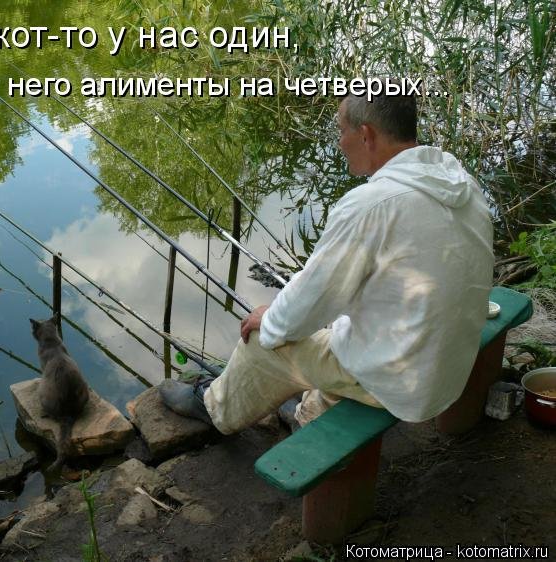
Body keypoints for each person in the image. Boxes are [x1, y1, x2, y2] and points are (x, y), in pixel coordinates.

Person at [161, 85, 494, 433]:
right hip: (447, 370)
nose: (339, 142)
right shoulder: (459, 182)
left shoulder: (370, 206)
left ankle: (213, 408)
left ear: (365, 135)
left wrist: (268, 318)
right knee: (331, 329)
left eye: (341, 130)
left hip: (404, 385)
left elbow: (306, 305)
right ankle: (310, 413)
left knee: (262, 340)